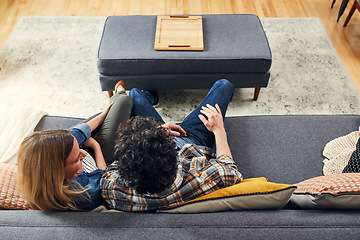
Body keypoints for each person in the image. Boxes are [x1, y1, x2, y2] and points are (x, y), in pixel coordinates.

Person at [101, 79, 243, 211]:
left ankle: (153, 97)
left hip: (157, 143)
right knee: (224, 85)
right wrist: (219, 131)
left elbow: (109, 171)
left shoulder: (113, 191)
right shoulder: (198, 179)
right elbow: (231, 171)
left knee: (134, 94)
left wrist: (156, 132)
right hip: (194, 141)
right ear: (176, 160)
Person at [17, 81, 132, 211]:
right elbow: (105, 175)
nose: (82, 154)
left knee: (106, 112)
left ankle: (115, 101)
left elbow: (76, 133)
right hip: (99, 157)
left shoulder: (38, 167)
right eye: (77, 158)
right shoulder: (86, 194)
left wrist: (103, 115)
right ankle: (121, 93)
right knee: (124, 100)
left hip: (74, 144)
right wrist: (96, 146)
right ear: (57, 173)